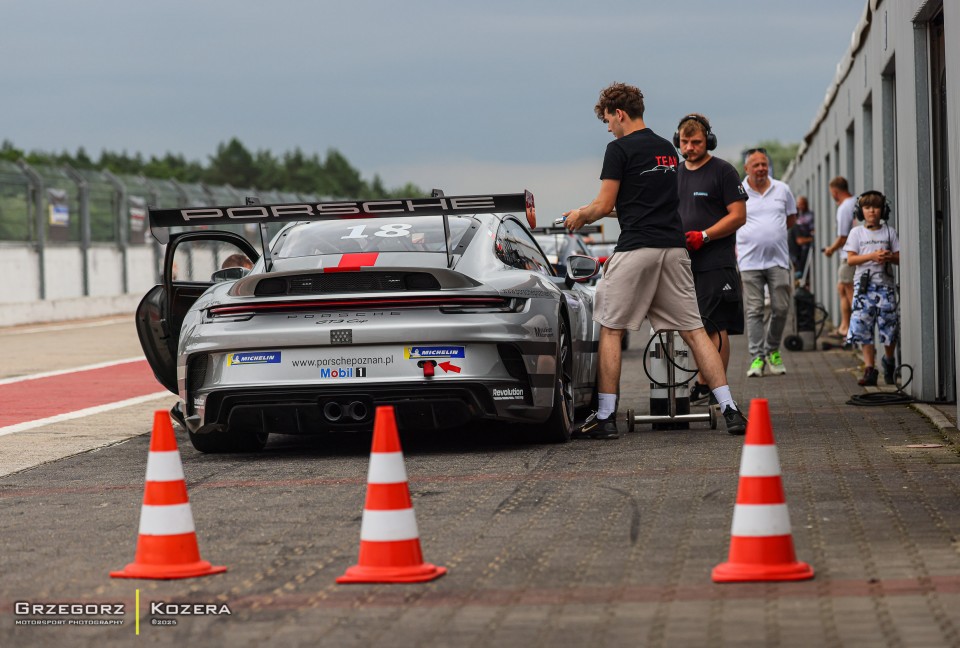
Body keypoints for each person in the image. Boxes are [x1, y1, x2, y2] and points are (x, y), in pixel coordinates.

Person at [562, 82, 748, 437]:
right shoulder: (666, 149)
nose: (608, 128)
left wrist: (581, 216)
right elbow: (643, 202)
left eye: (608, 120)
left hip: (636, 248)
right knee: (695, 331)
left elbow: (604, 204)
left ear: (619, 114)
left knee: (611, 329)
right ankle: (730, 409)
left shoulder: (618, 149)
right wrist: (597, 210)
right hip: (674, 250)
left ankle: (605, 418)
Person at [674, 114, 748, 404]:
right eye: (684, 142)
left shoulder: (723, 171)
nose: (689, 148)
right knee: (693, 326)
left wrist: (704, 236)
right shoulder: (675, 173)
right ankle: (705, 384)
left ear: (709, 141)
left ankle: (716, 390)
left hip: (715, 262)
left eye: (696, 142)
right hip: (683, 264)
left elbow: (738, 216)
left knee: (715, 325)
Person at [737, 149, 797, 377]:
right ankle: (757, 358)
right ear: (747, 169)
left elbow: (790, 218)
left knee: (781, 308)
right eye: (756, 165)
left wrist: (772, 234)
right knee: (754, 310)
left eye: (764, 164)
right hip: (749, 261)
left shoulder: (782, 189)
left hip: (778, 259)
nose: (761, 168)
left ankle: (772, 349)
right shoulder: (738, 191)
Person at [844, 191, 900, 386]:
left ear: (883, 210)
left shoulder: (889, 232)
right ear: (861, 211)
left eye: (876, 207)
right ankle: (869, 368)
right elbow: (851, 259)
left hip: (885, 286)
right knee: (863, 327)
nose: (872, 211)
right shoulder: (856, 233)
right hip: (864, 288)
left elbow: (899, 257)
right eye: (867, 207)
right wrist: (871, 256)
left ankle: (889, 361)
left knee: (889, 327)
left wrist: (889, 257)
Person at [822, 177, 858, 337]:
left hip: (848, 255)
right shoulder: (855, 201)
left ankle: (855, 331)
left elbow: (843, 237)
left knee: (850, 292)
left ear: (835, 191)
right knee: (842, 288)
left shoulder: (844, 207)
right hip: (854, 252)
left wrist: (830, 249)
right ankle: (845, 327)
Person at [790, 196, 815, 284]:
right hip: (798, 250)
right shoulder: (796, 220)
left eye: (801, 204)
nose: (799, 206)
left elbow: (813, 229)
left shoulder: (810, 216)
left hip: (806, 245)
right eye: (798, 204)